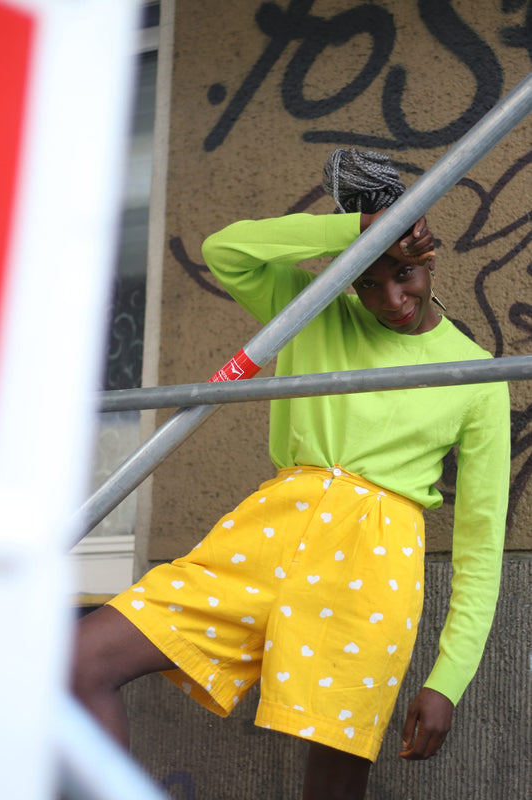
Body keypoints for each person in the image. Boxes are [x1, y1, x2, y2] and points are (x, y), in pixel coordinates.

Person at [72, 149, 510, 799]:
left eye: (405, 274)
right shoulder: (314, 307)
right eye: (368, 278)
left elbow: (480, 544)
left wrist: (447, 678)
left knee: (331, 785)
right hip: (267, 533)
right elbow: (228, 250)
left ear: (429, 258)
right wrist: (354, 234)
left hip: (371, 564)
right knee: (78, 661)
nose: (390, 298)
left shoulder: (475, 375)